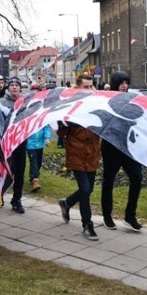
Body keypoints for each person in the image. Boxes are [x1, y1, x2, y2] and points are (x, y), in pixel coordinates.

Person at [57, 74, 99, 241]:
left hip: (93, 152)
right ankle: (87, 225)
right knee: (85, 190)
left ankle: (66, 203)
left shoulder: (97, 104)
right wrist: (66, 122)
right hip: (76, 152)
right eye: (86, 87)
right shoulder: (71, 106)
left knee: (89, 189)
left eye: (91, 86)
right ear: (78, 87)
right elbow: (61, 133)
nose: (89, 90)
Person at [100, 71, 143, 231]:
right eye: (121, 83)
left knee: (137, 178)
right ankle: (107, 216)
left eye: (126, 83)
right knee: (109, 181)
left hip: (127, 146)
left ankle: (130, 215)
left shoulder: (131, 99)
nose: (124, 86)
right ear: (115, 84)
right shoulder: (107, 99)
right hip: (111, 147)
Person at [0, 77, 27, 213]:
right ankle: (0, 195)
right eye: (12, 85)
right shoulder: (1, 103)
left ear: (20, 88)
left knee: (20, 172)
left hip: (21, 142)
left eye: (17, 85)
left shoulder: (26, 103)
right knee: (5, 171)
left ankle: (17, 199)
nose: (14, 87)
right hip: (7, 143)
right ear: (8, 88)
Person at [26, 124, 51, 192]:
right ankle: (35, 180)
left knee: (38, 163)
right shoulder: (29, 119)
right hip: (30, 145)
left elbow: (46, 128)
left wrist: (47, 138)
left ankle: (33, 177)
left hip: (40, 145)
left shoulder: (42, 119)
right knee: (33, 162)